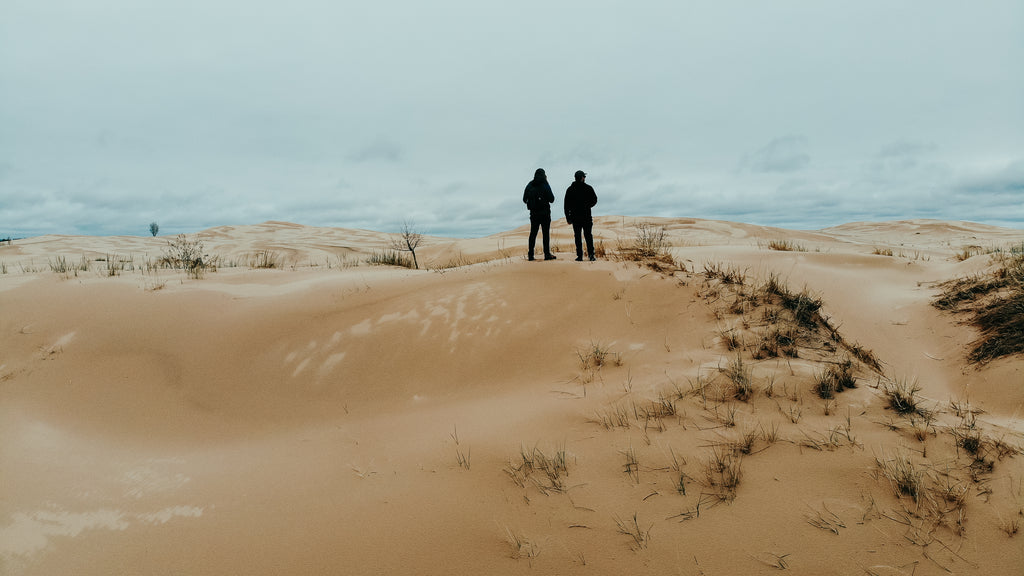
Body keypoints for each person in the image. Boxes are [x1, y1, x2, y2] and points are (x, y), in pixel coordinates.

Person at [522, 168, 556, 261]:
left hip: (534, 214)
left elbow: (524, 199)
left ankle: (530, 255)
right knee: (545, 234)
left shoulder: (530, 184)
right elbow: (552, 199)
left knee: (533, 234)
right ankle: (547, 254)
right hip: (545, 213)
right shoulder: (545, 184)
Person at [563, 170, 598, 261]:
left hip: (575, 217)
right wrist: (587, 206)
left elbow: (566, 205)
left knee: (578, 236)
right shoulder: (588, 188)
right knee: (588, 236)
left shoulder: (570, 189)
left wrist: (568, 217)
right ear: (582, 178)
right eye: (584, 177)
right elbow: (594, 200)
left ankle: (580, 256)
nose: (585, 178)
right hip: (586, 216)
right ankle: (591, 255)